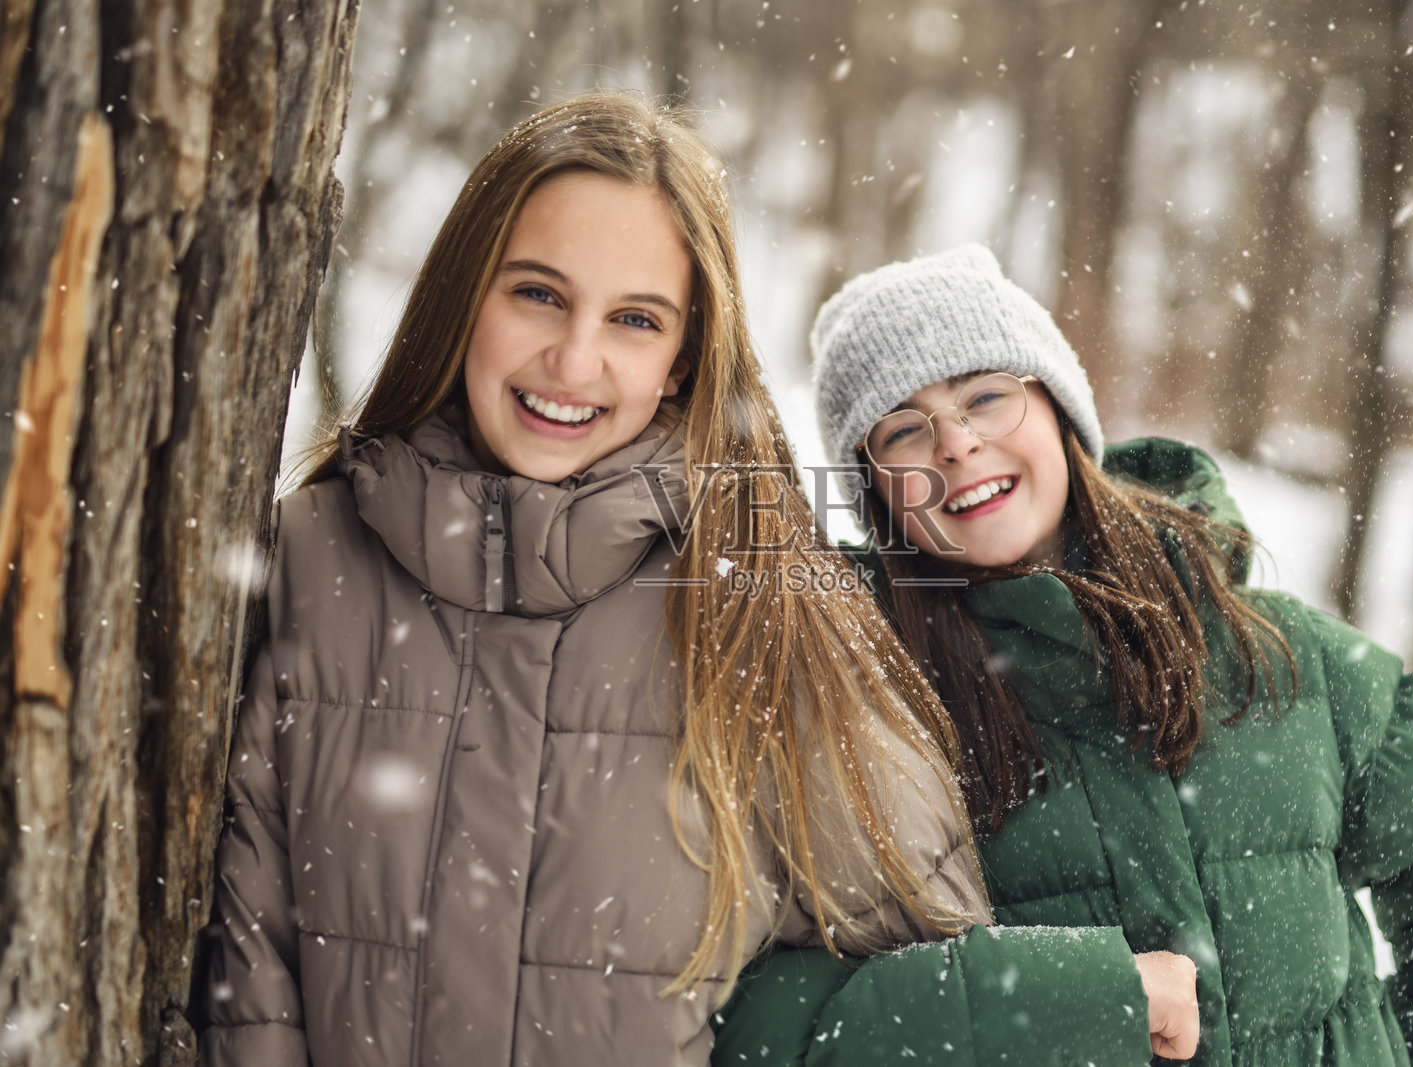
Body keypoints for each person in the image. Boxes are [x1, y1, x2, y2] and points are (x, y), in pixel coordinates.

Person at [198, 93, 1004, 1066]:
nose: (574, 360)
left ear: (681, 359)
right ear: (464, 296)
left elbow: (945, 988)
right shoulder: (316, 557)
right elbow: (252, 981)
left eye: (633, 318)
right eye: (538, 294)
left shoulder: (759, 596)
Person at [711, 245, 1413, 1066]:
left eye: (987, 395)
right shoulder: (860, 721)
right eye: (902, 428)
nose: (955, 443)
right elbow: (761, 1024)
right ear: (879, 495)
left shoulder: (1281, 656)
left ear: (1058, 409)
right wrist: (1075, 996)